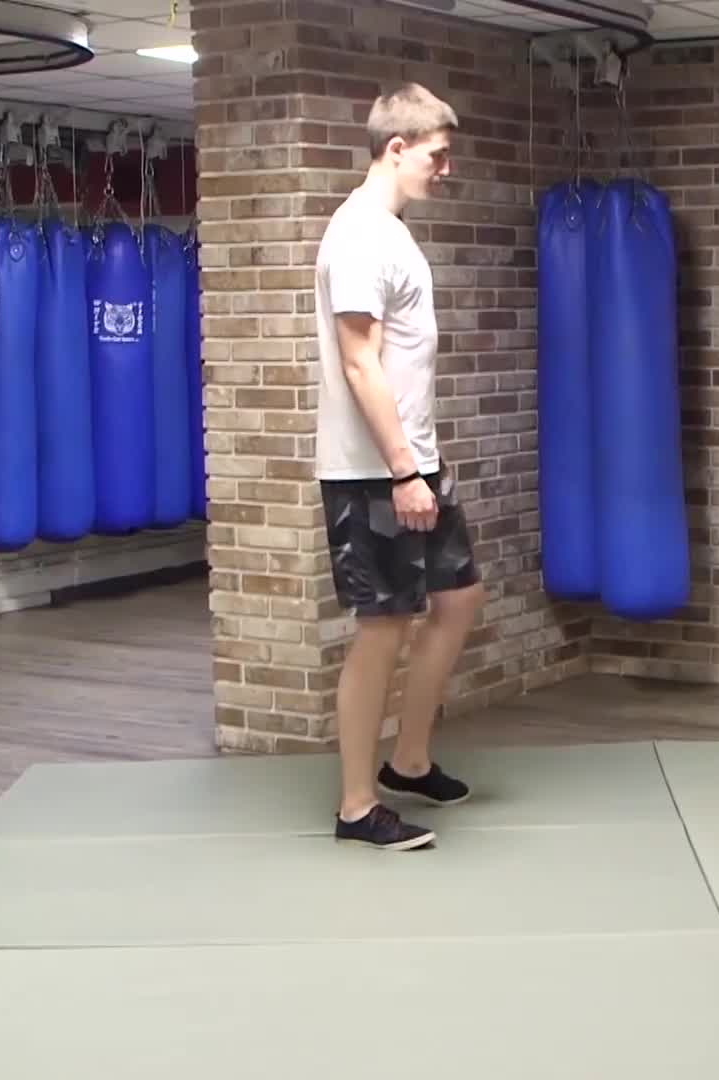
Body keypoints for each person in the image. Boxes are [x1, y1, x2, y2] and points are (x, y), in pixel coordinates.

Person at [313, 84, 485, 851]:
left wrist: (424, 464)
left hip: (418, 459)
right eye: (436, 155)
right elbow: (360, 362)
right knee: (383, 625)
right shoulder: (358, 236)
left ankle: (409, 760)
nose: (444, 170)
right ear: (395, 148)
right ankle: (357, 807)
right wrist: (403, 471)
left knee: (458, 598)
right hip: (377, 471)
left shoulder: (391, 230)